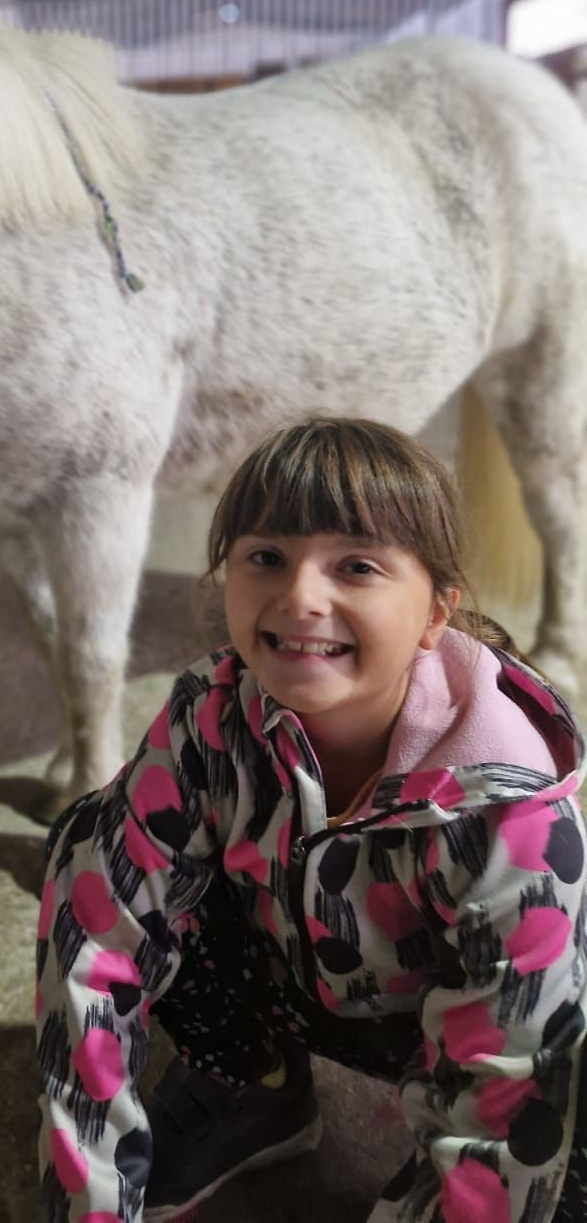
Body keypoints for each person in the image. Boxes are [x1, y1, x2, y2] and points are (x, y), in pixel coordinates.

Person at [35, 417, 587, 1223]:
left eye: (356, 566)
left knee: (561, 1120)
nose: (299, 597)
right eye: (266, 558)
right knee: (92, 846)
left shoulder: (513, 819)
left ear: (437, 613)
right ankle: (258, 1087)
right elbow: (96, 953)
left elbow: (507, 1097)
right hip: (293, 977)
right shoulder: (210, 718)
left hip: (446, 1028)